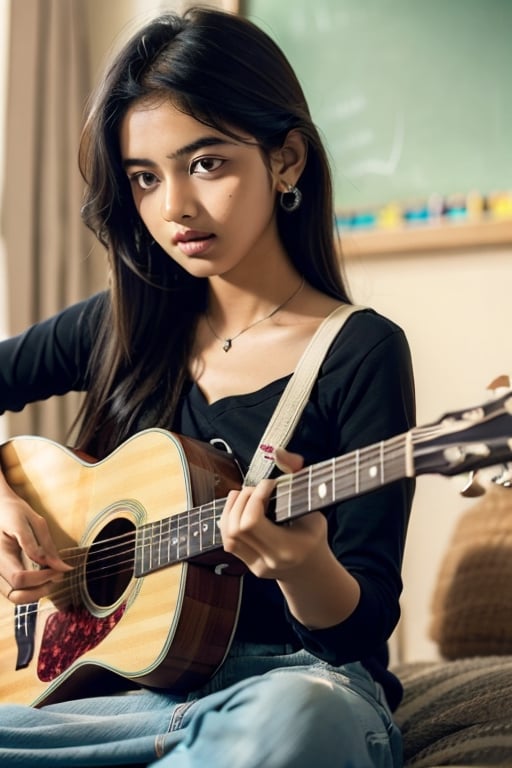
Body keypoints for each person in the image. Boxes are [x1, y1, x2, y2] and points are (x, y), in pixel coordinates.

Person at [0, 6, 415, 767]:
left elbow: (357, 629)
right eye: (144, 179)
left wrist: (300, 564)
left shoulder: (360, 351)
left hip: (285, 688)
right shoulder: (123, 325)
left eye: (207, 163)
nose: (174, 209)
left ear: (286, 160)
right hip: (107, 706)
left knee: (305, 719)